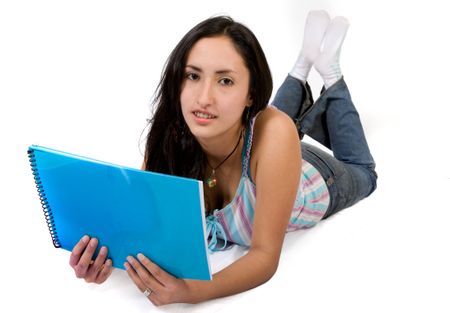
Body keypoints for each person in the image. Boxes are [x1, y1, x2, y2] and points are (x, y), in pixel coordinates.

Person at [68, 11, 377, 306]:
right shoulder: (170, 136)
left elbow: (264, 257)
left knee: (364, 173)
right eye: (193, 76)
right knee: (274, 124)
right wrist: (107, 259)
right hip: (257, 145)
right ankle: (302, 64)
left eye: (225, 81)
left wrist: (192, 291)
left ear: (251, 94)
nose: (204, 98)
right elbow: (146, 227)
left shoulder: (274, 135)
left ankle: (331, 72)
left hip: (318, 177)